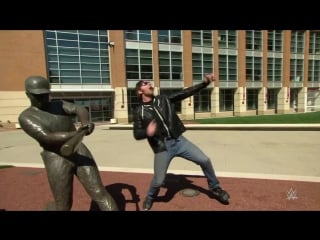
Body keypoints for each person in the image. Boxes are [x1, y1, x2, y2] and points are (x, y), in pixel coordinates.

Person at [18, 76, 119, 211]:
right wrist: (77, 133)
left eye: (45, 95)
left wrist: (85, 122)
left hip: (79, 150)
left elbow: (79, 109)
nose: (43, 98)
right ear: (28, 94)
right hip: (55, 157)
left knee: (99, 192)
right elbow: (47, 137)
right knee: (63, 206)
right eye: (38, 96)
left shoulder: (58, 104)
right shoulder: (26, 117)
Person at [133, 73, 230, 211]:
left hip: (179, 141)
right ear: (139, 91)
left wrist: (205, 83)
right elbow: (136, 134)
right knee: (159, 181)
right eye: (145, 83)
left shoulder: (163, 99)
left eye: (149, 82)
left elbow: (185, 93)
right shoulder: (139, 112)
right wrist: (146, 132)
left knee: (205, 160)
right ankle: (150, 197)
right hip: (162, 148)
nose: (149, 84)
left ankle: (215, 188)